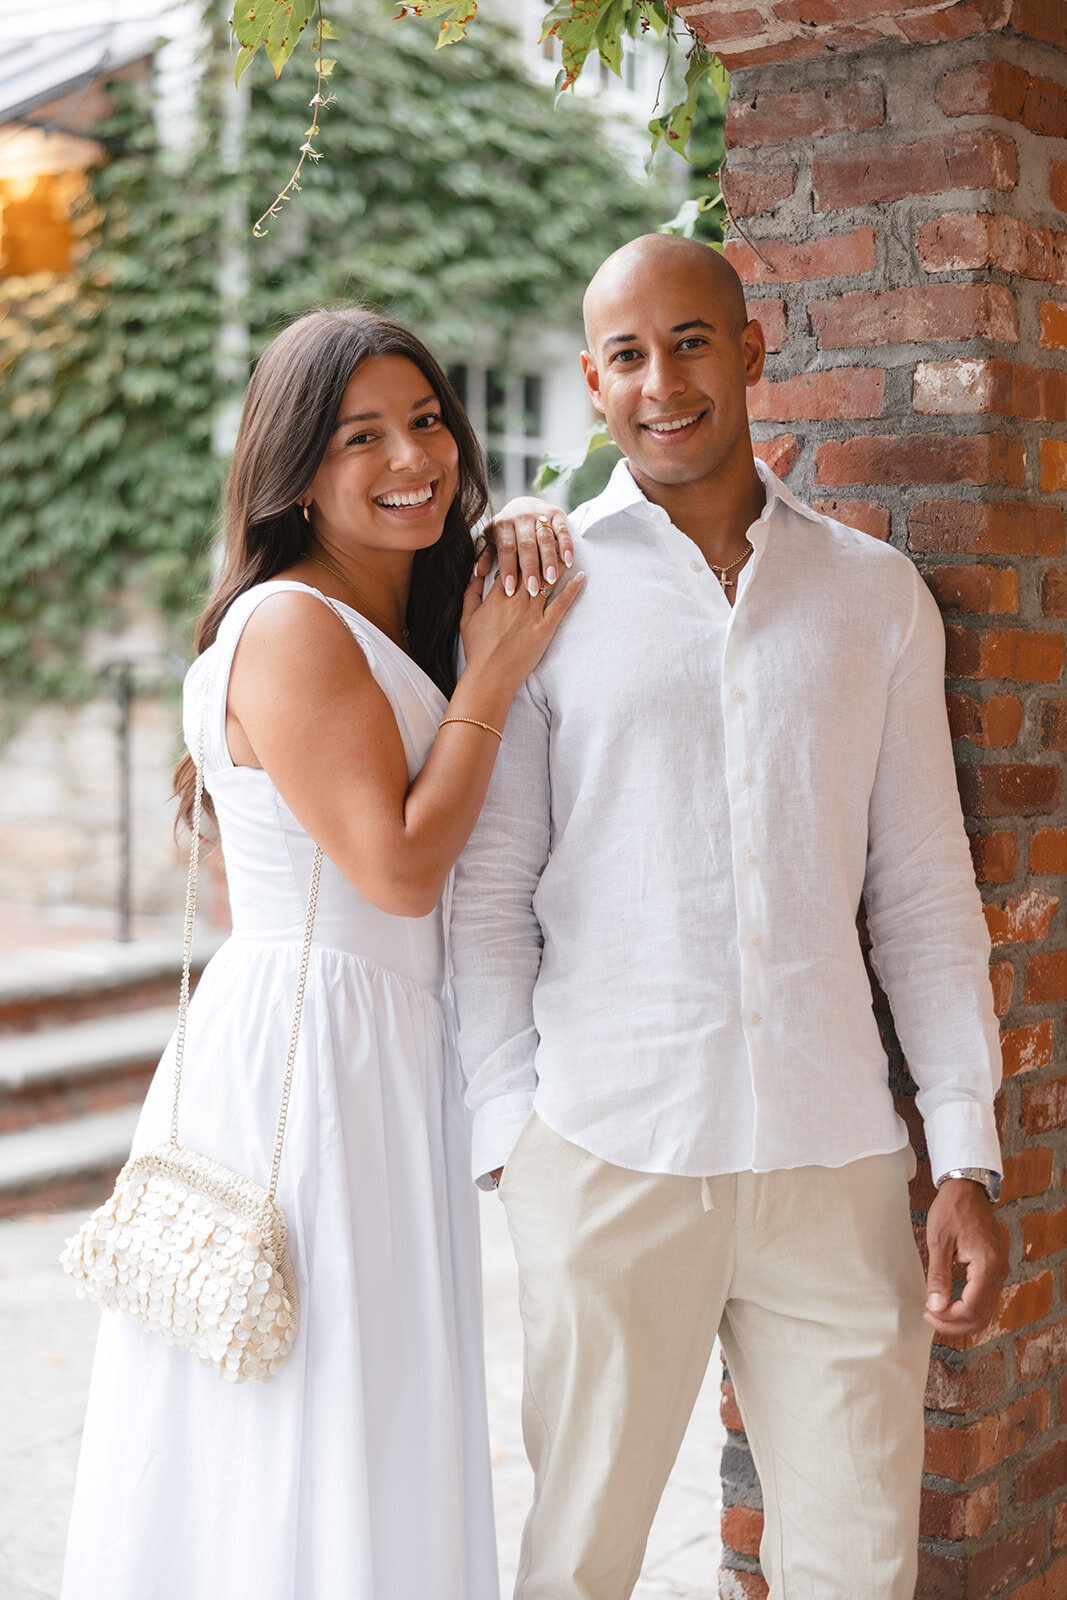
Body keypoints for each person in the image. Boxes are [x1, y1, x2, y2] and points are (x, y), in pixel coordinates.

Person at [451, 234, 1008, 1600]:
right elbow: (489, 887)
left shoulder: (874, 596)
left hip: (835, 1163)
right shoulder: (540, 589)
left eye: (692, 342)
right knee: (577, 1561)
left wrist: (964, 1157)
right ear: (593, 382)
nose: (664, 382)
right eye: (629, 356)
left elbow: (925, 889)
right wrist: (509, 1137)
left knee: (860, 1563)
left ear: (752, 352)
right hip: (606, 1148)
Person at [61, 306, 582, 1600]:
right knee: (316, 1400)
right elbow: (399, 869)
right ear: (294, 468)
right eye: (362, 436)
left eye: (427, 423)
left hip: (389, 1041)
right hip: (321, 1054)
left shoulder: (403, 606)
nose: (413, 458)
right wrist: (492, 681)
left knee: (372, 1398)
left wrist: (505, 563)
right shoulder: (296, 624)